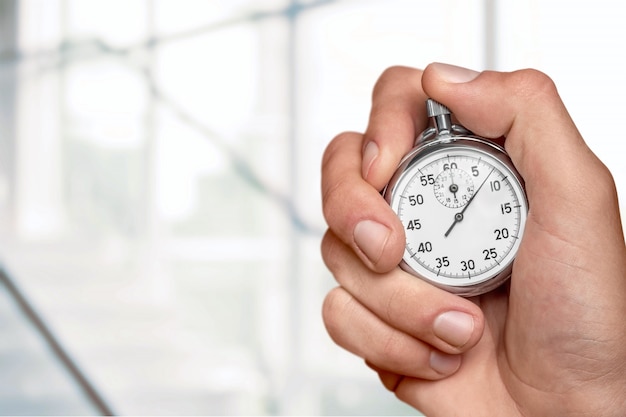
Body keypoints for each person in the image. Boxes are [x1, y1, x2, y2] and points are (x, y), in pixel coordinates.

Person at [320, 63, 626, 416]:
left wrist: (594, 391)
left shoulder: (505, 172)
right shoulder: (410, 182)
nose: (458, 215)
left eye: (462, 210)